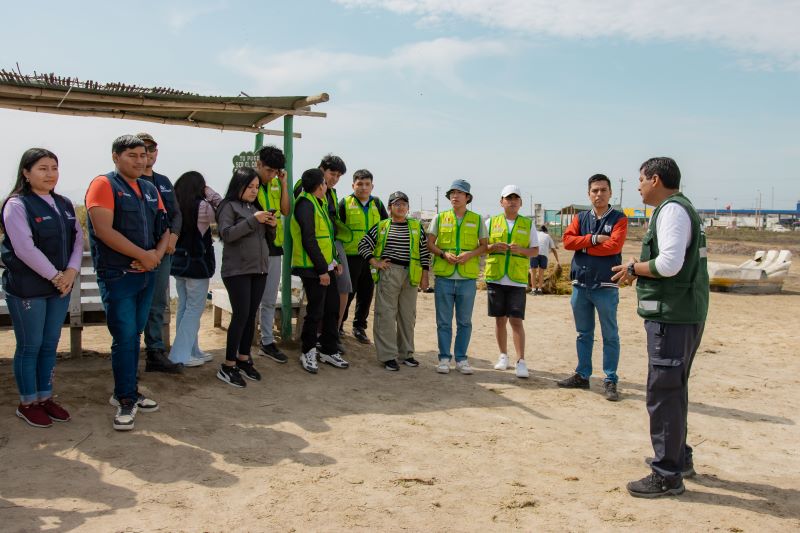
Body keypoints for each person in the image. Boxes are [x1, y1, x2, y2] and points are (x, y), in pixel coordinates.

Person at [612, 157, 709, 498]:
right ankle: (677, 457)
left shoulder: (671, 211)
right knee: (674, 388)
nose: (637, 186)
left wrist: (634, 268)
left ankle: (667, 474)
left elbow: (669, 264)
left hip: (672, 317)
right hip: (684, 313)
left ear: (655, 179)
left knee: (663, 392)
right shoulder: (680, 209)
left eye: (640, 179)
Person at [86, 135, 169, 431]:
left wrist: (154, 257)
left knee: (135, 335)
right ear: (115, 156)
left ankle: (129, 390)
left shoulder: (149, 188)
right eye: (132, 155)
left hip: (146, 274)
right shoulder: (104, 185)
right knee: (124, 336)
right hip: (118, 275)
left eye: (143, 155)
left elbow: (164, 226)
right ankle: (124, 398)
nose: (139, 160)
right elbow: (104, 230)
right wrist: (141, 255)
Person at [1, 148, 82, 428]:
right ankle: (27, 402)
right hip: (28, 288)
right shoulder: (16, 205)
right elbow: (24, 248)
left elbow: (77, 240)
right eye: (42, 168)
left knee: (49, 345)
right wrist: (56, 276)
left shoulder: (64, 204)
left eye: (54, 168)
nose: (50, 174)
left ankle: (45, 397)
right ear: (26, 172)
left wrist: (70, 272)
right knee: (30, 346)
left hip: (59, 287)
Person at [557, 174, 628, 401]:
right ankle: (582, 374)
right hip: (580, 285)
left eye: (603, 190)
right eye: (595, 190)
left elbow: (614, 246)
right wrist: (595, 239)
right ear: (588, 193)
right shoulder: (581, 217)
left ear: (610, 193)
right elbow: (567, 242)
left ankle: (610, 379)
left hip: (605, 284)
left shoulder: (619, 218)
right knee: (583, 333)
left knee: (610, 335)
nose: (599, 194)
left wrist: (583, 245)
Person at [215, 167, 276, 388]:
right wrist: (254, 220)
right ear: (238, 185)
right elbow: (226, 234)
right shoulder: (227, 206)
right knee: (240, 315)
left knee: (251, 316)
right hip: (237, 270)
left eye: (257, 187)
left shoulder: (255, 207)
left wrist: (272, 226)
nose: (254, 191)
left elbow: (266, 240)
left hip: (258, 269)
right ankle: (228, 365)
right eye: (250, 186)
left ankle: (243, 358)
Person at [358, 191, 430, 371]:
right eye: (396, 204)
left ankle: (406, 354)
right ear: (389, 208)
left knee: (407, 315)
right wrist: (375, 262)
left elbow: (423, 251)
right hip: (390, 273)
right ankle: (388, 356)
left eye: (404, 203)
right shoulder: (382, 226)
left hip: (411, 275)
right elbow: (363, 244)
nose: (401, 207)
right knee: (386, 315)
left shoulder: (416, 226)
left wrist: (425, 274)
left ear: (408, 207)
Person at [426, 179, 488, 375]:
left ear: (467, 197)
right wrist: (443, 254)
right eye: (452, 193)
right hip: (444, 277)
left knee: (464, 322)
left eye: (459, 193)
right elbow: (430, 244)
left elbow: (484, 245)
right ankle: (444, 358)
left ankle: (461, 359)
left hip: (467, 279)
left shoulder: (477, 219)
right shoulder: (439, 218)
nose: (455, 196)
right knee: (443, 321)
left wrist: (469, 255)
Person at [291, 168, 349, 374]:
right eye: (325, 182)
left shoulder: (320, 203)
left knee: (332, 307)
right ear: (319, 185)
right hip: (312, 268)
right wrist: (322, 270)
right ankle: (307, 351)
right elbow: (309, 239)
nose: (328, 185)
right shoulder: (305, 204)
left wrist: (334, 260)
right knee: (315, 311)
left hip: (326, 265)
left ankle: (329, 349)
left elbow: (326, 236)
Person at [136, 133, 181, 374]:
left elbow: (175, 214)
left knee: (157, 304)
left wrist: (173, 237)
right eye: (141, 150)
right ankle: (128, 352)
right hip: (134, 254)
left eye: (151, 150)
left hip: (163, 254)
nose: (147, 154)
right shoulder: (121, 182)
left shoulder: (163, 182)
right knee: (131, 304)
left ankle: (155, 352)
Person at [168, 171, 221, 367]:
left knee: (184, 307)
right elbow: (222, 212)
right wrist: (211, 193)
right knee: (194, 309)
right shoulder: (203, 207)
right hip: (197, 265)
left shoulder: (176, 206)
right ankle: (181, 354)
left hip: (179, 264)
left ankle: (191, 349)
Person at [486, 185, 539, 378]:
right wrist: (492, 246)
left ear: (521, 203)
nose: (512, 201)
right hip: (496, 277)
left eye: (516, 198)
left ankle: (521, 361)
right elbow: (482, 247)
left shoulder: (527, 224)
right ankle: (503, 356)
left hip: (516, 279)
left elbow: (535, 250)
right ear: (501, 202)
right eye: (508, 198)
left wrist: (521, 251)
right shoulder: (491, 222)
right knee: (500, 320)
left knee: (516, 321)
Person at [339, 169, 388, 344]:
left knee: (366, 294)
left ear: (372, 186)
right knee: (347, 293)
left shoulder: (378, 204)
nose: (363, 188)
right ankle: (339, 326)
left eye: (367, 184)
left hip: (371, 258)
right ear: (353, 185)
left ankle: (359, 327)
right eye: (360, 184)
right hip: (349, 256)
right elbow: (336, 230)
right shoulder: (344, 203)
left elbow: (386, 227)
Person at [255, 145, 290, 364]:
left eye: (275, 171)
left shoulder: (278, 183)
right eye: (268, 170)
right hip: (253, 248)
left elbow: (286, 210)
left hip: (274, 247)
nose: (271, 175)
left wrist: (284, 183)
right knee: (250, 299)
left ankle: (267, 341)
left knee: (269, 299)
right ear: (258, 164)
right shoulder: (248, 182)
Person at [529, 225, 560, 294]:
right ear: (545, 231)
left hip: (534, 253)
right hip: (544, 255)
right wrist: (557, 261)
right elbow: (554, 250)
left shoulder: (535, 234)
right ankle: (540, 290)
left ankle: (533, 290)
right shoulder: (547, 236)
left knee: (533, 272)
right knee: (541, 273)